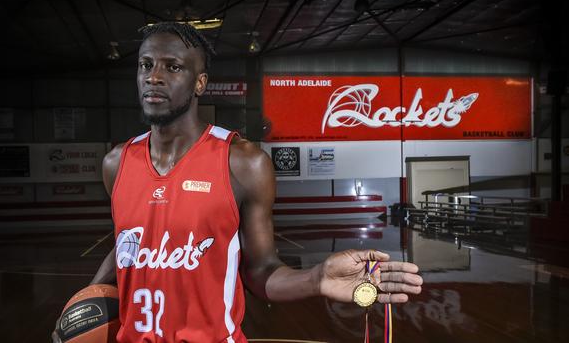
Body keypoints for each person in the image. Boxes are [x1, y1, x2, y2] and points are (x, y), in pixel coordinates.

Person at [56, 22, 423, 343]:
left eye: (173, 67)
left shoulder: (243, 163)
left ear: (199, 82)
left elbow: (261, 270)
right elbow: (128, 244)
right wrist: (82, 306)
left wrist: (316, 278)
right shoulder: (117, 163)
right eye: (146, 65)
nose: (154, 77)